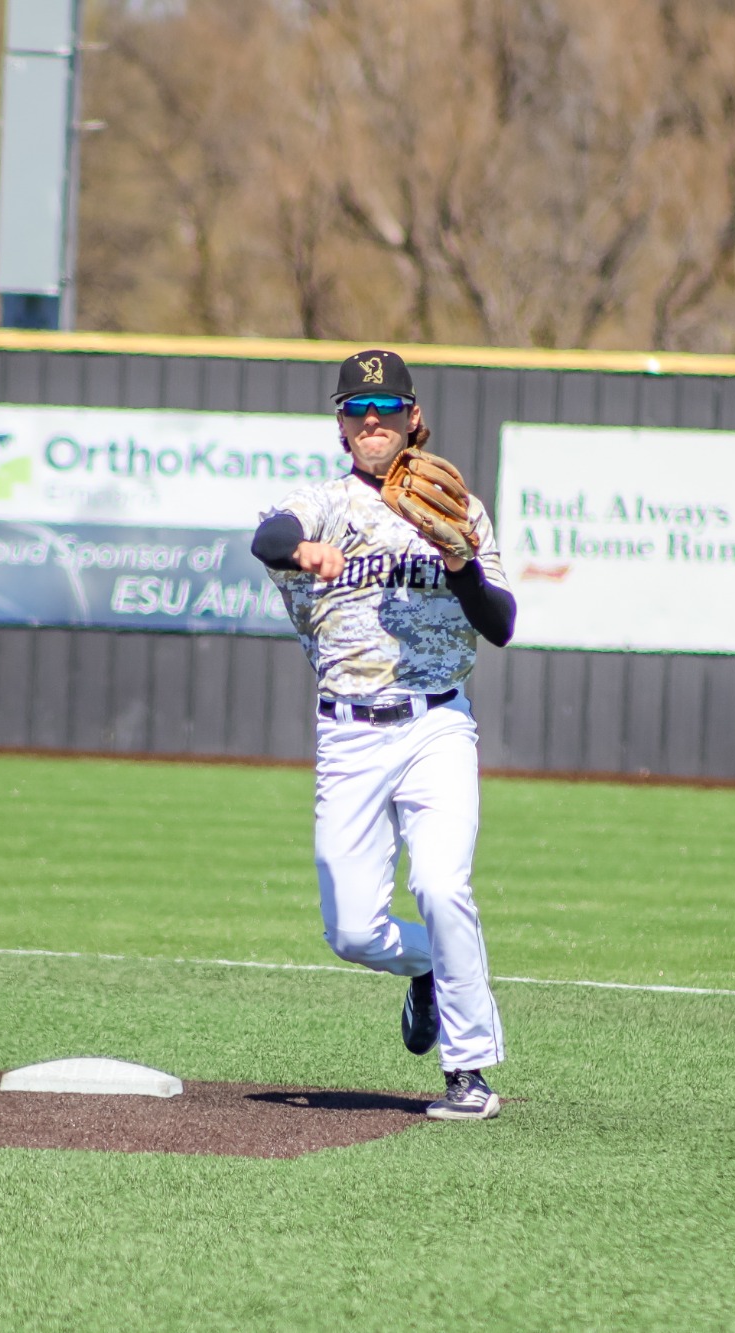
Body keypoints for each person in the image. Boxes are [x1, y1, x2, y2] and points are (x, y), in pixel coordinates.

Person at [251, 349, 515, 1120]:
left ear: (411, 418)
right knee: (353, 931)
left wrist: (462, 560)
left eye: (386, 410)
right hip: (350, 734)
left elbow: (500, 624)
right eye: (358, 411)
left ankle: (468, 1071)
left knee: (440, 884)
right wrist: (304, 551)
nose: (373, 423)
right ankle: (431, 968)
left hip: (437, 723)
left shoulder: (456, 503)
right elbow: (268, 537)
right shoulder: (326, 505)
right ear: (341, 424)